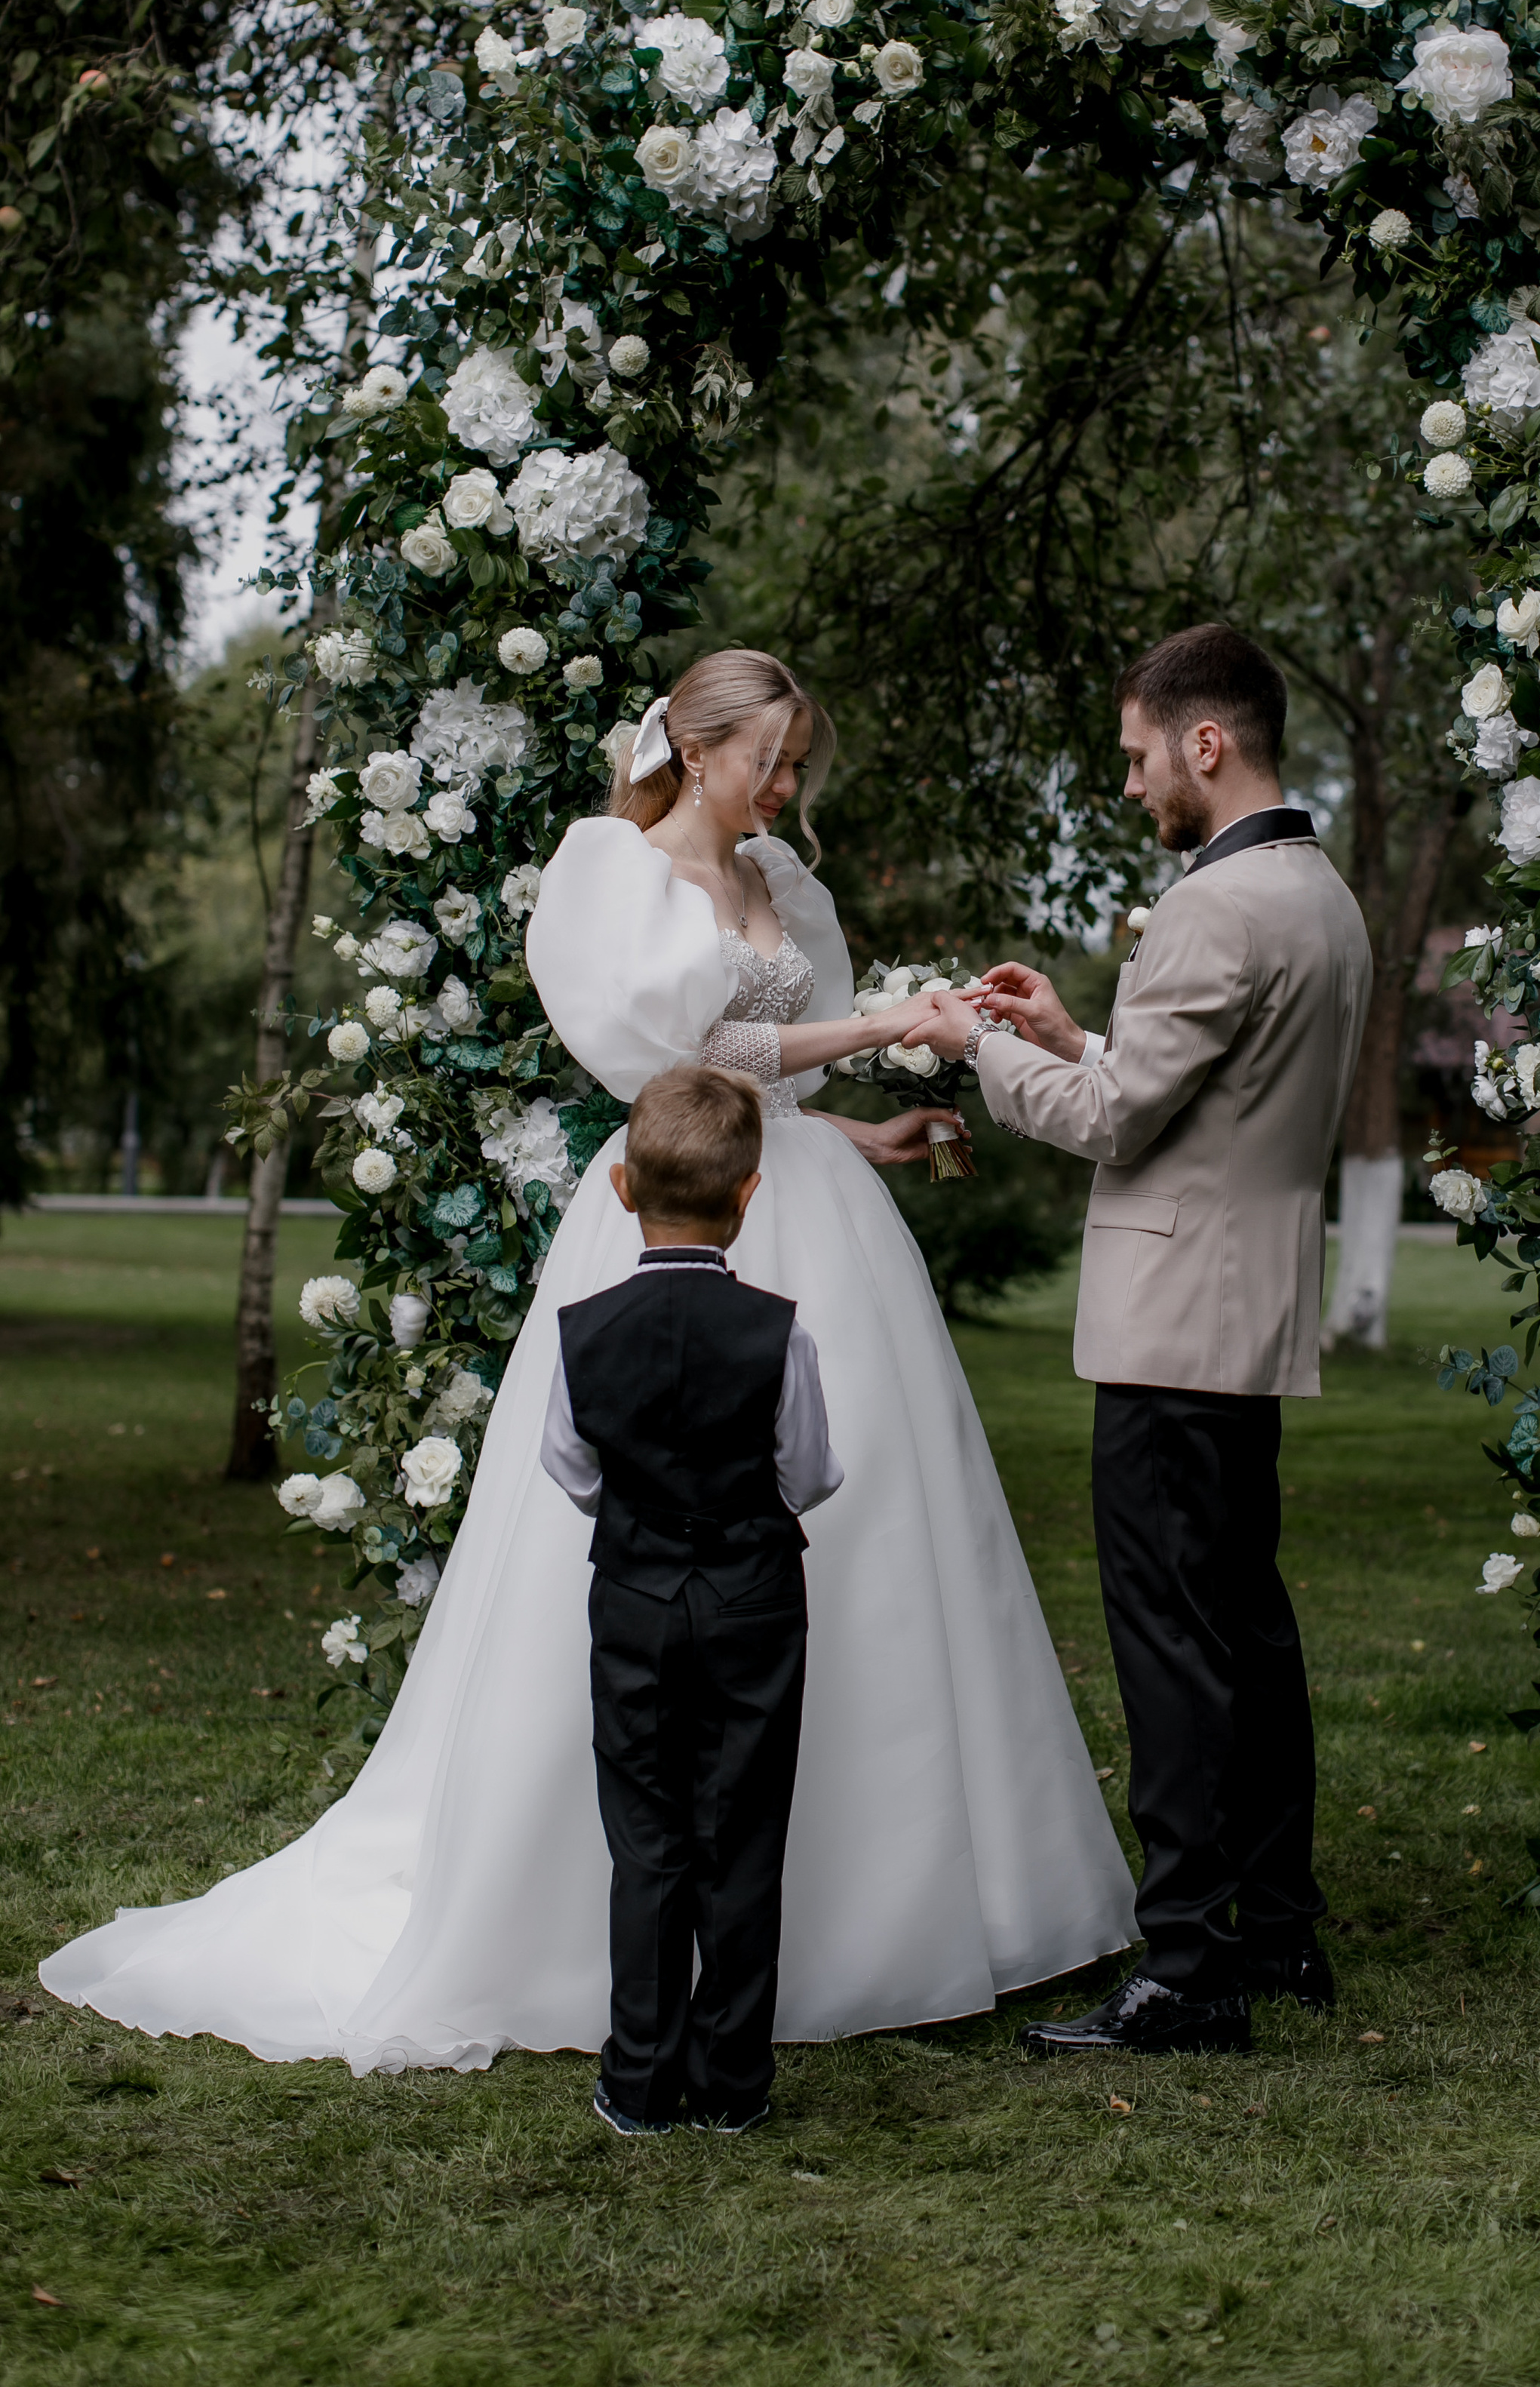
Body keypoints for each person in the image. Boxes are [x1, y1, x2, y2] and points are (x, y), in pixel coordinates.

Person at [41, 651, 1135, 2072]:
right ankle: (613, 1916)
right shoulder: (617, 871)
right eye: (773, 761)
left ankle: (902, 1892)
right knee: (674, 1532)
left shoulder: (778, 885)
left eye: (800, 765)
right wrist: (893, 1030)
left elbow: (768, 1085)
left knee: (871, 1529)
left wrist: (857, 1125)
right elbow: (686, 1051)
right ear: (698, 748)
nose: (788, 788)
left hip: (803, 1198)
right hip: (682, 1218)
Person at [905, 624, 1372, 2058]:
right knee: (1244, 1627)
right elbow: (1189, 1098)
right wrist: (1064, 1026)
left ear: (1204, 743)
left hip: (1173, 1328)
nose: (1130, 785)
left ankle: (1185, 1969)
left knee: (1174, 1644)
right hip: (1244, 1311)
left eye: (1135, 756)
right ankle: (1275, 1928)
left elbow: (1114, 1129)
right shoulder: (1321, 896)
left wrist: (974, 1044)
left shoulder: (1213, 907)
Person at [543, 1066, 842, 2136]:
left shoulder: (583, 1330)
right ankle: (732, 2087)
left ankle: (637, 2082)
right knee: (742, 1835)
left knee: (647, 1839)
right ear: (750, 1194)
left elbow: (571, 1467)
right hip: (755, 1596)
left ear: (621, 1187)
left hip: (631, 1596)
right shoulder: (780, 1332)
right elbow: (809, 1473)